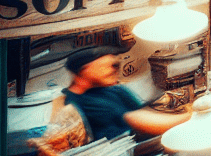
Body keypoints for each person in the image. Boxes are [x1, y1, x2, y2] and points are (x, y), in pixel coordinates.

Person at [58, 48, 189, 143]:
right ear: (84, 69)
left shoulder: (115, 90)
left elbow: (145, 113)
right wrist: (190, 117)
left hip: (141, 148)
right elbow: (137, 119)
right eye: (108, 66)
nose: (115, 68)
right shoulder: (72, 102)